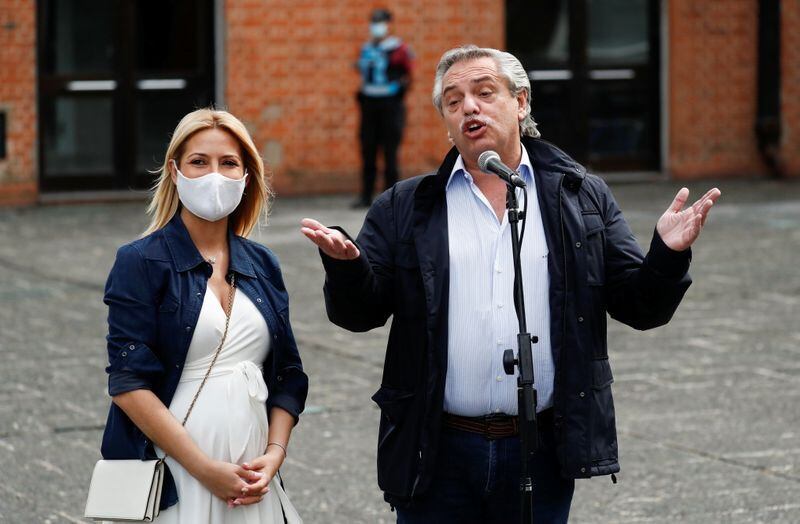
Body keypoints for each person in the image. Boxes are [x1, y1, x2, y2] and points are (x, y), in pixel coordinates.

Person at [301, 45, 720, 523]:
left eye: (484, 93)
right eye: (453, 101)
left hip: (539, 449)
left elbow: (640, 307)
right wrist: (348, 268)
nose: (469, 108)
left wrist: (667, 254)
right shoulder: (406, 206)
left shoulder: (579, 195)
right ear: (446, 121)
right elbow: (359, 314)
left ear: (521, 102)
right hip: (435, 452)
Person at [101, 108, 307, 523]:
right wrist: (204, 469)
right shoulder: (140, 261)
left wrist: (274, 455)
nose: (215, 175)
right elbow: (128, 383)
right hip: (176, 470)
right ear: (175, 172)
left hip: (252, 474)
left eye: (228, 163)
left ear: (246, 176)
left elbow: (289, 374)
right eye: (199, 161)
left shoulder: (262, 262)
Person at [353, 7, 414, 208]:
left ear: (388, 25)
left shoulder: (399, 48)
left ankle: (391, 197)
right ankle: (366, 195)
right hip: (369, 105)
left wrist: (399, 93)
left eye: (380, 22)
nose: (376, 27)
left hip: (390, 105)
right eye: (374, 22)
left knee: (390, 152)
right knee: (368, 150)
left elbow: (409, 75)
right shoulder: (366, 48)